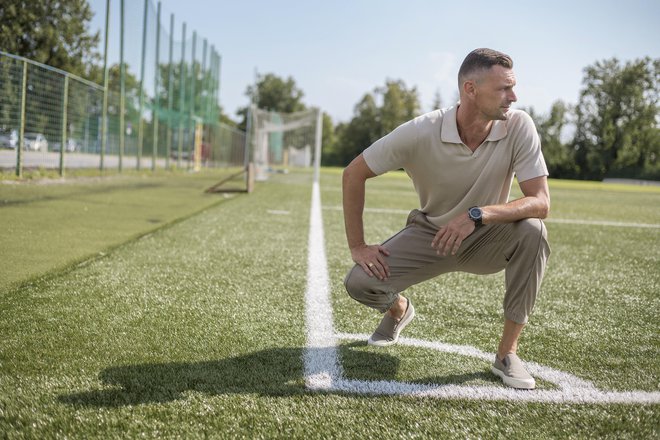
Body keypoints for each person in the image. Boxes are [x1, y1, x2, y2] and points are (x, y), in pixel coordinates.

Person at [342, 48, 550, 390]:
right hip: (431, 235)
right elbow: (353, 173)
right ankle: (398, 309)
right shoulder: (420, 131)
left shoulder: (518, 125)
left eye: (513, 87)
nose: (513, 96)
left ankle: (507, 353)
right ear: (470, 89)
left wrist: (478, 215)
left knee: (533, 230)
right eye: (503, 89)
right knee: (359, 282)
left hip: (487, 237)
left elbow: (540, 202)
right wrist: (358, 246)